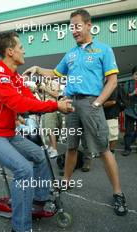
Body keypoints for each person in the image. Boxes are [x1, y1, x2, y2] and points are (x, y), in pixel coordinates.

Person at [23, 9, 128, 216]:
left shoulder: (103, 50)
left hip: (91, 104)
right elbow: (55, 73)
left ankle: (118, 193)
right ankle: (66, 182)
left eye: (77, 26)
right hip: (71, 105)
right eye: (71, 27)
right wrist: (36, 68)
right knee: (71, 147)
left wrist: (98, 103)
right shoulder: (71, 53)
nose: (74, 30)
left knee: (103, 149)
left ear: (89, 25)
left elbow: (112, 81)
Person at [0, 31, 73, 232]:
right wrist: (54, 107)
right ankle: (20, 230)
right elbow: (18, 103)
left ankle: (38, 201)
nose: (24, 50)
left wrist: (56, 101)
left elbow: (27, 99)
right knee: (23, 169)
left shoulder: (15, 77)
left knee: (40, 155)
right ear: (10, 51)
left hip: (8, 133)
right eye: (20, 46)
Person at [37, 79, 60, 158]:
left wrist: (45, 88)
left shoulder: (54, 82)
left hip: (52, 107)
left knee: (51, 128)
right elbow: (42, 96)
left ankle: (55, 149)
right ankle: (52, 147)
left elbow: (56, 94)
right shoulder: (44, 83)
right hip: (45, 107)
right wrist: (39, 89)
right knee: (47, 128)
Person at [122, 66, 137, 156]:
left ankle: (132, 140)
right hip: (130, 111)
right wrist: (133, 93)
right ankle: (127, 148)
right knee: (128, 131)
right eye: (136, 74)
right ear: (132, 75)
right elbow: (124, 97)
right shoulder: (128, 84)